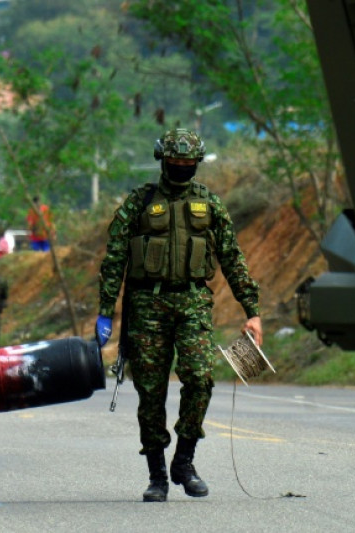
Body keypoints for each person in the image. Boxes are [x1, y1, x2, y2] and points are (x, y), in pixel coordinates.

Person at [95, 128, 262, 502]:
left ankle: (184, 461)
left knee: (201, 378)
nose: (183, 169)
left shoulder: (209, 204)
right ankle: (156, 475)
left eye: (190, 164)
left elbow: (232, 258)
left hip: (193, 304)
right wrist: (106, 311)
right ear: (163, 161)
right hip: (146, 307)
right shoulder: (139, 202)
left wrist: (252, 311)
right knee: (150, 393)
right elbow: (114, 258)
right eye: (177, 163)